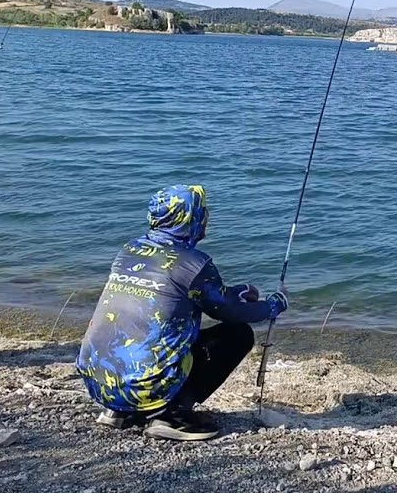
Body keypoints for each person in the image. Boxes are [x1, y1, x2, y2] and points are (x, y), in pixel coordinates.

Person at [76, 183, 288, 441]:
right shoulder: (194, 263)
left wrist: (237, 291)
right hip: (145, 387)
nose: (207, 216)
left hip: (99, 383)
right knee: (237, 335)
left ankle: (119, 410)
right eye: (203, 211)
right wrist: (272, 306)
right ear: (190, 218)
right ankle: (172, 415)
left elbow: (188, 292)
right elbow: (229, 313)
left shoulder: (129, 251)